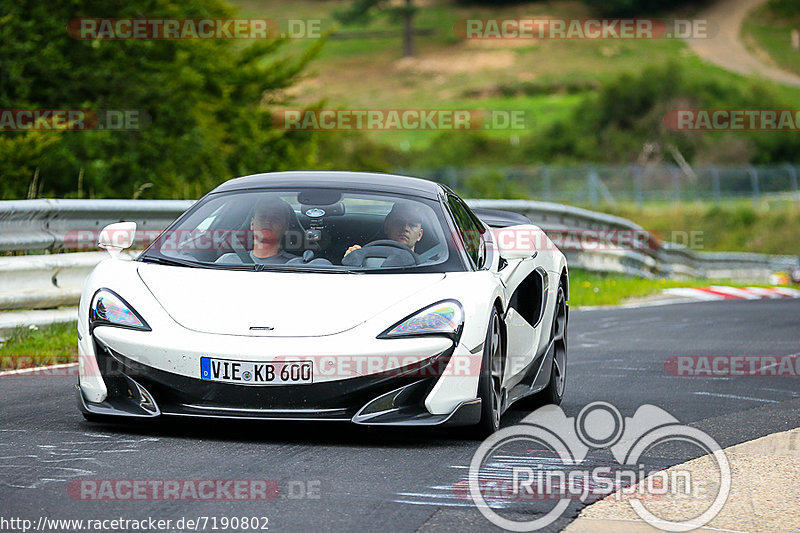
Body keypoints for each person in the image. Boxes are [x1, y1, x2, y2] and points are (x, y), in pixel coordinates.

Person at [216, 197, 297, 265]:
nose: (267, 221)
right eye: (262, 216)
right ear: (252, 224)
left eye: (275, 218)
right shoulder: (227, 260)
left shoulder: (296, 264)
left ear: (286, 228)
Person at [344, 201, 424, 258]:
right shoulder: (362, 257)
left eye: (412, 225)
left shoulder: (429, 267)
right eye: (399, 223)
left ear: (419, 235)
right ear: (386, 227)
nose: (405, 228)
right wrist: (351, 259)